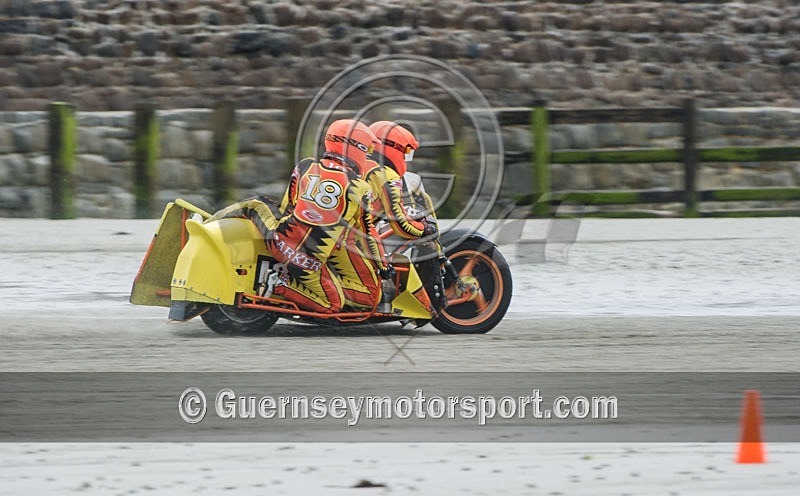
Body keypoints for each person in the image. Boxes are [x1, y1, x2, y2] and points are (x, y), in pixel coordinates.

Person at [209, 119, 392, 313]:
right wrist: (383, 265)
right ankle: (281, 285)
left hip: (278, 242)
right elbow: (367, 232)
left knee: (257, 204)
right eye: (367, 150)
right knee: (333, 305)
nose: (367, 156)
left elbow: (289, 206)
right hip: (308, 264)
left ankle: (209, 221)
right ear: (355, 148)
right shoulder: (360, 188)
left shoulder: (305, 166)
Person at [368, 121, 439, 240]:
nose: (405, 159)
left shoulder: (355, 166)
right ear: (391, 147)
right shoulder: (388, 176)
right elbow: (400, 224)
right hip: (351, 240)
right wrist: (425, 228)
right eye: (405, 152)